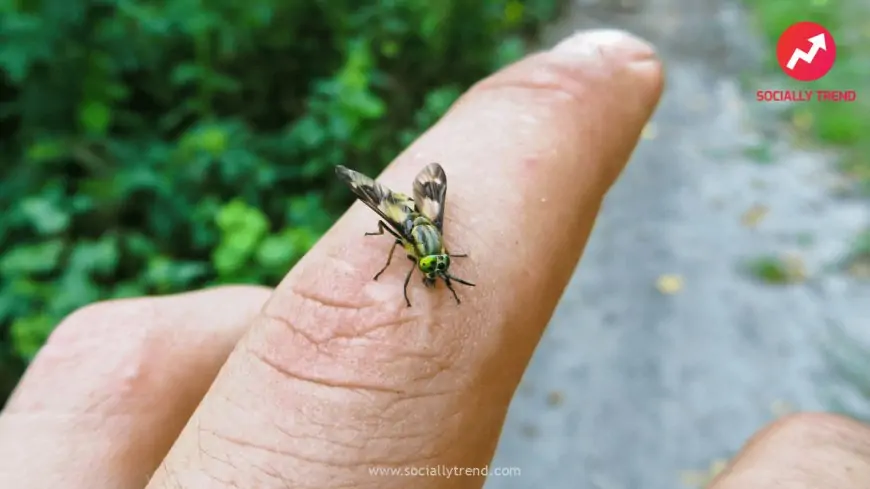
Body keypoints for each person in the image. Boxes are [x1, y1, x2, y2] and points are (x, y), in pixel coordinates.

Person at [0, 29, 865, 489]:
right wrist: (408, 254)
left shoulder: (440, 252)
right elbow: (405, 234)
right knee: (383, 228)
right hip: (396, 212)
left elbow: (435, 229)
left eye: (440, 270)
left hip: (420, 214)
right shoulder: (411, 249)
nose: (438, 271)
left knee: (410, 228)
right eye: (438, 270)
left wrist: (437, 254)